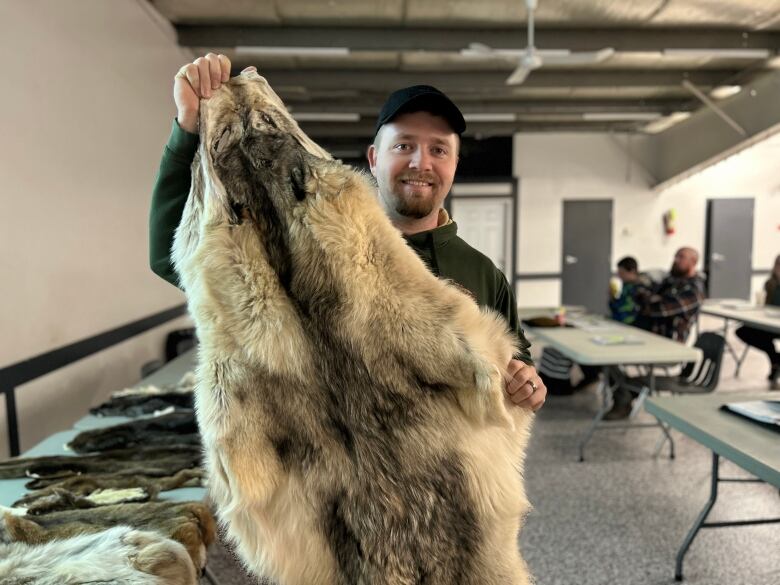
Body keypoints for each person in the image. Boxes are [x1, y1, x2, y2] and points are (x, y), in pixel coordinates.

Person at [149, 53, 546, 411]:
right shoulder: (314, 246)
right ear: (374, 159)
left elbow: (516, 356)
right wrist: (187, 130)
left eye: (439, 149)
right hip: (333, 484)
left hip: (442, 485)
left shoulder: (483, 273)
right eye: (404, 145)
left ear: (454, 165)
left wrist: (527, 381)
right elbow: (176, 258)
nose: (421, 162)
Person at [604, 247, 705, 420]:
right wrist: (649, 298)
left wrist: (651, 300)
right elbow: (643, 295)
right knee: (604, 350)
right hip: (648, 335)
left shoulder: (693, 290)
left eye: (681, 257)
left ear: (693, 262)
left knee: (609, 355)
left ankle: (623, 398)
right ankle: (624, 395)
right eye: (676, 255)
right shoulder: (670, 281)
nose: (676, 259)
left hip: (668, 345)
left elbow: (657, 308)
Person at [736, 254, 780, 389]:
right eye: (778, 265)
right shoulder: (771, 284)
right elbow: (767, 305)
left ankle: (775, 362)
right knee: (743, 330)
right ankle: (775, 358)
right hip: (771, 322)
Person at [608, 256, 653, 325]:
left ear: (632, 271)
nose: (619, 276)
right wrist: (612, 297)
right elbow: (617, 308)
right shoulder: (626, 285)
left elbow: (624, 309)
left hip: (633, 326)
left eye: (622, 273)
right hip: (620, 323)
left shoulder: (640, 289)